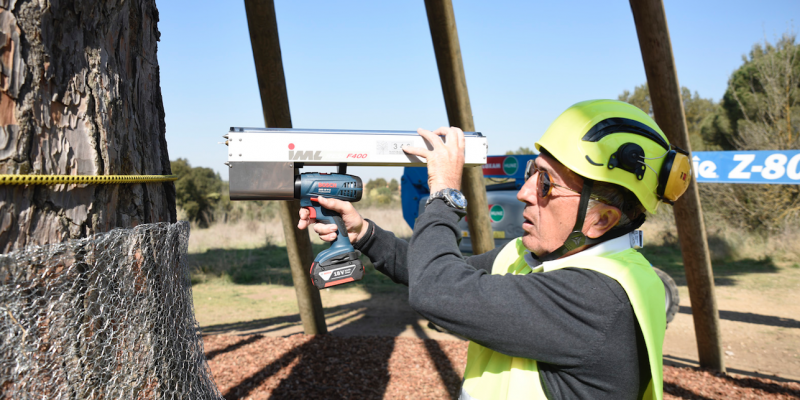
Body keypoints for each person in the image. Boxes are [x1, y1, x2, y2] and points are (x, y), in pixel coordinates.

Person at [298, 99, 691, 400]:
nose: (523, 193)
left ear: (600, 221)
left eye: (546, 185)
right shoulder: (534, 259)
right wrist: (363, 231)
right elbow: (434, 269)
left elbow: (436, 290)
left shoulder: (599, 300)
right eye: (531, 174)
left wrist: (446, 195)